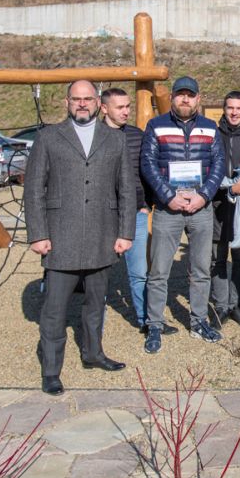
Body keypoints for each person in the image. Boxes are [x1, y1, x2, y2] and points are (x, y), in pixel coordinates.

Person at [25, 80, 136, 395]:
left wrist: (125, 232)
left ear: (98, 102)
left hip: (103, 234)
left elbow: (126, 189)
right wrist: (38, 234)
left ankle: (93, 353)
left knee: (95, 304)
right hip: (61, 236)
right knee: (54, 310)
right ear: (67, 102)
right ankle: (51, 370)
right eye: (77, 99)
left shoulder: (114, 139)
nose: (82, 104)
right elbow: (34, 189)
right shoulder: (48, 137)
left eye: (88, 99)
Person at [141, 76, 227, 354]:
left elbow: (219, 164)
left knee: (201, 269)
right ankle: (154, 324)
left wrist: (204, 195)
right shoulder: (156, 125)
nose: (185, 99)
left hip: (200, 208)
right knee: (159, 270)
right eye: (181, 95)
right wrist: (169, 196)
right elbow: (148, 164)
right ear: (172, 98)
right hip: (168, 209)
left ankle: (199, 321)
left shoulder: (210, 128)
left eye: (190, 95)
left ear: (198, 98)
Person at [98, 87, 156, 333]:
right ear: (104, 108)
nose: (126, 111)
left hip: (135, 214)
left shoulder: (136, 136)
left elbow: (147, 171)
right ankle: (94, 324)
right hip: (102, 215)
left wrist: (146, 204)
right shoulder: (93, 136)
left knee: (140, 271)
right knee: (98, 273)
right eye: (120, 107)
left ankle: (146, 320)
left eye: (128, 106)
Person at [211, 91, 240, 329]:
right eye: (230, 108)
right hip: (217, 205)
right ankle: (221, 305)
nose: (234, 112)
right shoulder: (213, 135)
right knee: (217, 258)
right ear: (224, 109)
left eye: (239, 108)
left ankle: (235, 304)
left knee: (239, 259)